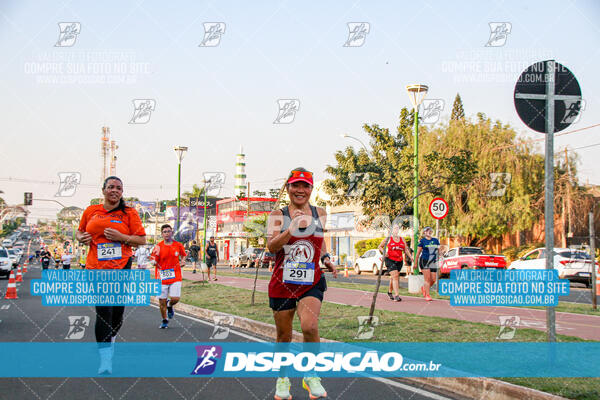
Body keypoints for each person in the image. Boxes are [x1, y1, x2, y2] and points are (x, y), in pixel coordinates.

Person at [267, 168, 338, 400]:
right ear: (288, 188)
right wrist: (290, 230)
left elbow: (321, 241)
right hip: (282, 283)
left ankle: (311, 374)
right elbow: (271, 247)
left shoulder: (320, 212)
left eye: (305, 186)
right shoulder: (278, 214)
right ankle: (283, 379)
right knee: (284, 336)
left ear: (311, 188)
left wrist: (326, 258)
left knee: (310, 327)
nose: (300, 190)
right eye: (295, 185)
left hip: (311, 281)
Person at [76, 176, 146, 374]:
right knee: (104, 310)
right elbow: (79, 232)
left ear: (122, 192)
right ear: (103, 190)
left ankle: (111, 339)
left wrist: (121, 237)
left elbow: (141, 239)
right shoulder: (91, 211)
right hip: (96, 268)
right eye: (111, 187)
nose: (115, 190)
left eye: (119, 188)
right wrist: (82, 238)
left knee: (117, 313)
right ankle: (105, 359)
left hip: (121, 266)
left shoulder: (129, 213)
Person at [151, 224, 186, 329]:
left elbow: (183, 254)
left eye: (168, 231)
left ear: (172, 232)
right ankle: (164, 320)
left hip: (175, 275)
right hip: (161, 277)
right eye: (164, 232)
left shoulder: (178, 245)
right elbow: (153, 258)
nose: (167, 233)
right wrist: (153, 261)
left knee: (175, 298)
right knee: (161, 301)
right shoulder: (158, 246)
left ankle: (170, 305)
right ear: (162, 234)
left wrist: (183, 261)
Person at [378, 224, 413, 302]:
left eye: (397, 228)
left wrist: (411, 257)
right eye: (394, 228)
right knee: (395, 276)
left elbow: (406, 249)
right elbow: (380, 246)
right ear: (391, 230)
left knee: (394, 277)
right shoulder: (388, 239)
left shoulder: (402, 239)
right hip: (390, 260)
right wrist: (384, 253)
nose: (396, 230)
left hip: (399, 261)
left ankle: (389, 292)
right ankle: (397, 296)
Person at [415, 227, 440, 302]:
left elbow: (439, 251)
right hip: (424, 260)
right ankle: (427, 295)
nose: (428, 232)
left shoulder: (435, 240)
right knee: (427, 279)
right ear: (424, 233)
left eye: (430, 231)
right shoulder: (423, 241)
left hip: (433, 261)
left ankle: (424, 288)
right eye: (427, 231)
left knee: (433, 279)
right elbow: (418, 253)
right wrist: (415, 263)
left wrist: (441, 256)